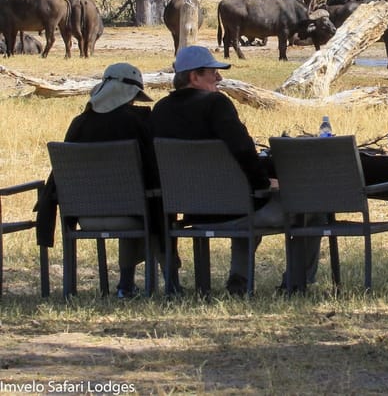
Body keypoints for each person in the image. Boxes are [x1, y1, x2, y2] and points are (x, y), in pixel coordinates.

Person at [149, 45, 320, 295]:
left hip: (192, 213)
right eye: (212, 73)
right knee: (314, 206)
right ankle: (296, 283)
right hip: (235, 211)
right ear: (194, 77)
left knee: (245, 201)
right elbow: (243, 150)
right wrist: (264, 184)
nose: (219, 78)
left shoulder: (161, 110)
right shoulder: (216, 103)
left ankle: (239, 280)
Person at [42, 63, 173, 298]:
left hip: (84, 217)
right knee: (153, 206)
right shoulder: (137, 123)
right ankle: (169, 282)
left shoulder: (79, 123)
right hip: (131, 213)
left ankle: (125, 285)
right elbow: (154, 170)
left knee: (136, 203)